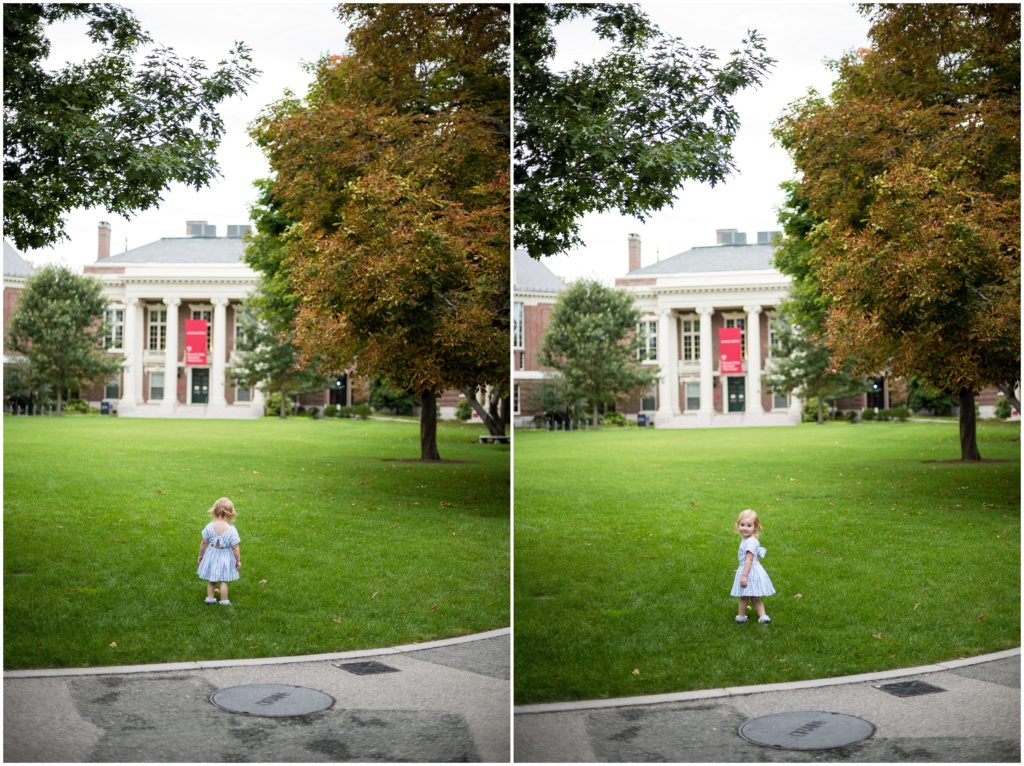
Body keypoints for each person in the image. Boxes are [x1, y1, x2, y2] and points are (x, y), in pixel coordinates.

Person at [731, 509, 774, 623]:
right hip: (749, 569)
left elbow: (749, 559)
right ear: (738, 525)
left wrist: (744, 575)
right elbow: (745, 560)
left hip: (750, 572)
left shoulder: (750, 542)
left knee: (747, 596)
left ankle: (744, 616)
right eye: (742, 524)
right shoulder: (747, 539)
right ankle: (759, 616)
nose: (745, 528)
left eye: (749, 525)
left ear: (755, 527)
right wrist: (740, 569)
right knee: (751, 596)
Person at [197, 497, 241, 605]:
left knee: (212, 580)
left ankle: (210, 599)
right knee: (224, 580)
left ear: (215, 511)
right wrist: (238, 561)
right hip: (225, 557)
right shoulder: (231, 530)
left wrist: (200, 555)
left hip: (211, 555)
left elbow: (203, 543)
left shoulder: (209, 527)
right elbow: (235, 547)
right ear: (230, 514)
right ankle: (224, 600)